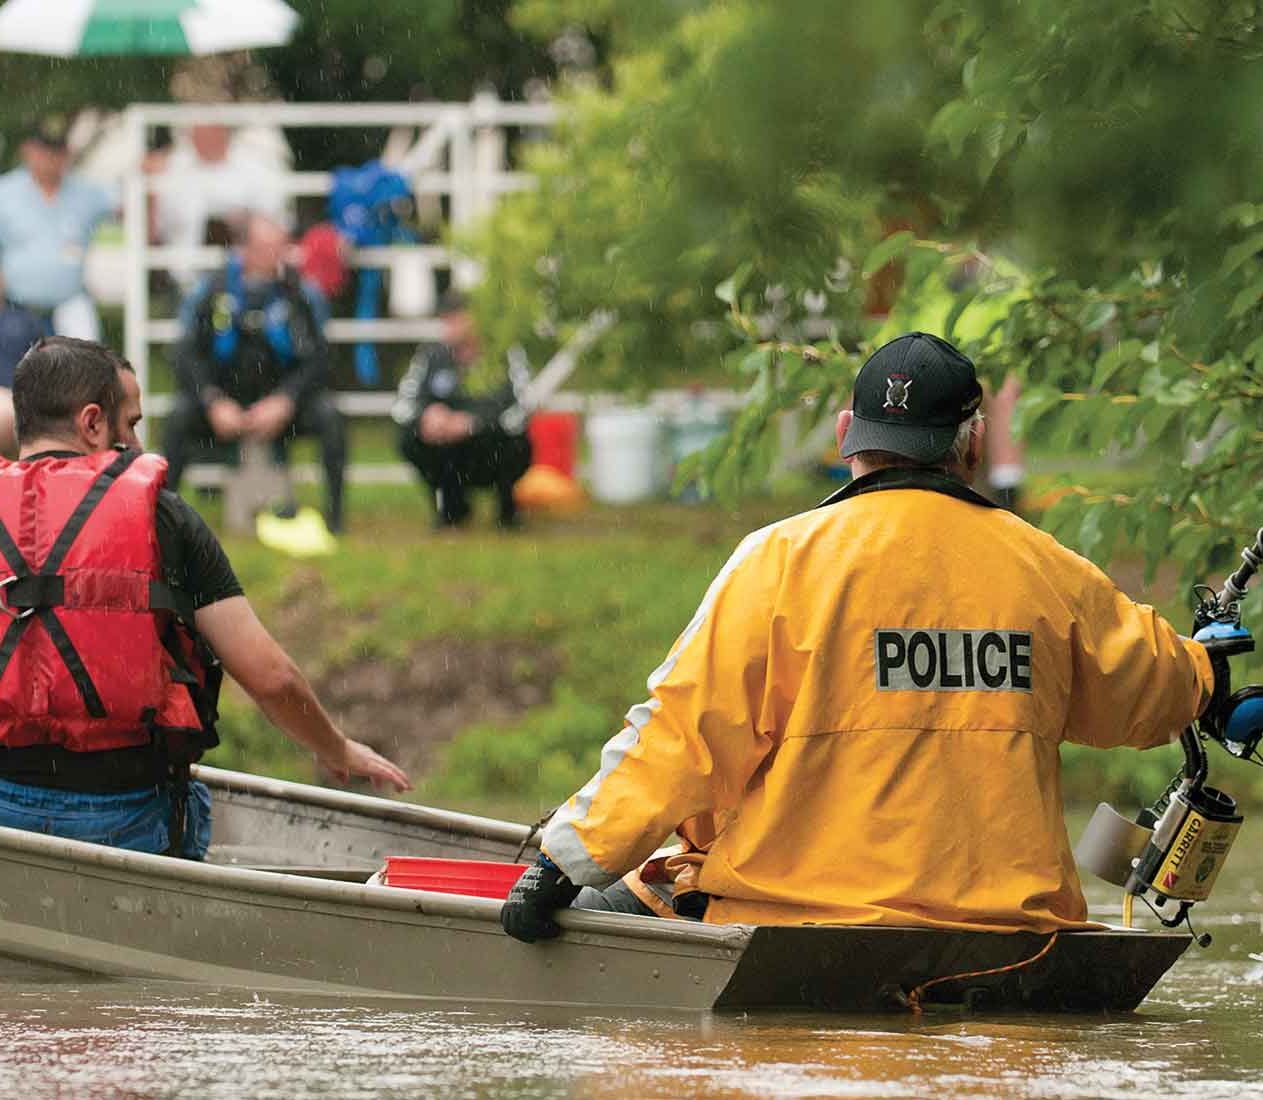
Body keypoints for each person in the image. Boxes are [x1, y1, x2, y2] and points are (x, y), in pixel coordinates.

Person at [501, 331, 1223, 942]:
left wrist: (566, 859)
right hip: (1009, 933)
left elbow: (681, 738)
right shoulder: (1048, 570)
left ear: (847, 434)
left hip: (800, 926)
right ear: (971, 445)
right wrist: (1208, 670)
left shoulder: (777, 562)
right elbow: (1157, 689)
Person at [0, 337, 408, 859]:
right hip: (124, 810)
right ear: (92, 423)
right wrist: (337, 748)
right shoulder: (163, 518)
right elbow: (271, 677)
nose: (135, 445)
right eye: (130, 424)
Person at [164, 214, 347, 532]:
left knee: (329, 417)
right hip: (223, 402)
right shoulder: (211, 291)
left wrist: (286, 399)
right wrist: (213, 401)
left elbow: (319, 359)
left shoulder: (300, 292)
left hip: (281, 403)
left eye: (281, 247)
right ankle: (162, 522)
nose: (277, 256)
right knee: (178, 418)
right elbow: (185, 355)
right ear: (243, 249)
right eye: (266, 248)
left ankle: (335, 519)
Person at [392, 292, 532, 529]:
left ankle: (507, 508)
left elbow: (523, 404)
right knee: (409, 438)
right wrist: (427, 417)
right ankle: (452, 507)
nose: (451, 326)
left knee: (515, 441)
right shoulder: (431, 355)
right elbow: (403, 404)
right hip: (449, 448)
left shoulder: (504, 353)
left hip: (491, 446)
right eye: (446, 319)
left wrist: (473, 423)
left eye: (457, 318)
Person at [0, 117, 116, 341]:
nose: (50, 158)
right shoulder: (5, 192)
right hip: (17, 309)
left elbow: (127, 204)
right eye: (44, 150)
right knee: (12, 372)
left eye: (56, 151)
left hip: (70, 305)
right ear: (28, 150)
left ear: (67, 153)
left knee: (84, 369)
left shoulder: (86, 193)